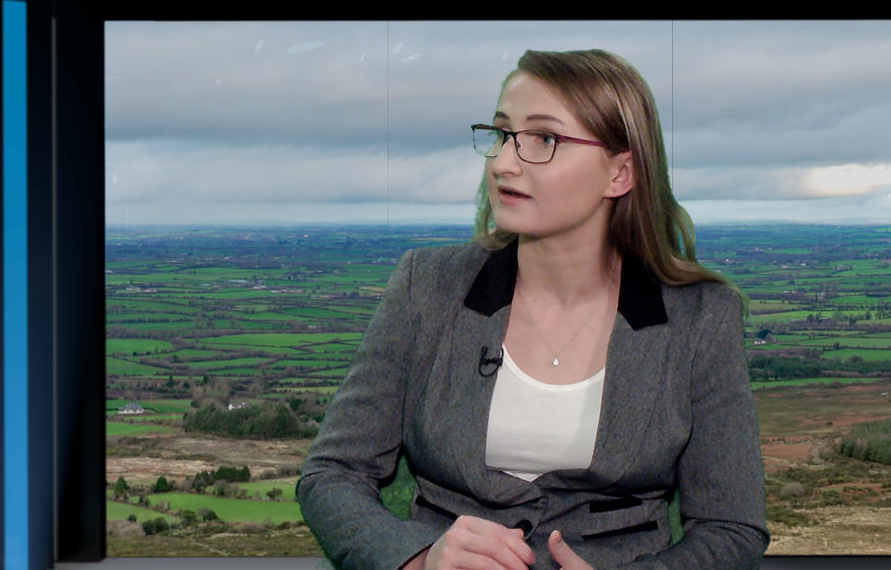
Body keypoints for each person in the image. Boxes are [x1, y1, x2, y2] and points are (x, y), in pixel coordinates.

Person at [296, 48, 769, 570]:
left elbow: (732, 528)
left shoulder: (702, 318)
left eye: (544, 139)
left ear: (620, 173)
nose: (503, 162)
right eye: (502, 134)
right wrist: (419, 559)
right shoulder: (425, 287)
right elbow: (331, 474)